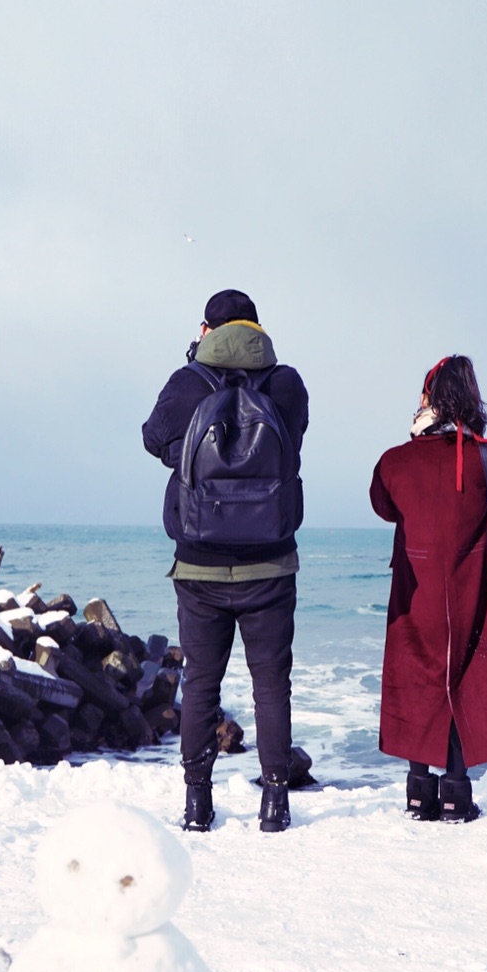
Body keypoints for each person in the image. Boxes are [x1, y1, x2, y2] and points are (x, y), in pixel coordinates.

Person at [142, 289, 310, 834]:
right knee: (271, 685)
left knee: (201, 685)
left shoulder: (187, 382)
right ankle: (276, 804)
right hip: (271, 563)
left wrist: (197, 362)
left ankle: (197, 803)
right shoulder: (285, 384)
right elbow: (293, 444)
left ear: (206, 328)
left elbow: (155, 440)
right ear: (257, 328)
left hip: (198, 564)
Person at [369, 355, 487, 822]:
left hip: (415, 592)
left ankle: (419, 792)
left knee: (420, 678)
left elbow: (383, 504)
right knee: (462, 676)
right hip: (467, 592)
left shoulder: (395, 459)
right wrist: (469, 434)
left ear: (429, 401)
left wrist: (421, 439)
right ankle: (457, 792)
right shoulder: (482, 456)